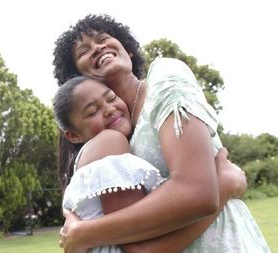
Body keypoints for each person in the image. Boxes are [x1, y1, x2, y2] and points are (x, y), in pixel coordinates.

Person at [52, 14, 271, 253]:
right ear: (78, 79)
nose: (97, 47)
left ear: (128, 49)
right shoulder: (112, 139)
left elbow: (196, 190)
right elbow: (198, 195)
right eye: (84, 51)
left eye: (103, 38)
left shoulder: (164, 76)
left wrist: (83, 234)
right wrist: (225, 184)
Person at [54, 75, 248, 252]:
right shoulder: (109, 141)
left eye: (111, 98)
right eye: (92, 111)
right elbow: (143, 251)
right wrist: (224, 186)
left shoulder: (94, 155)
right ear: (73, 135)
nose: (109, 109)